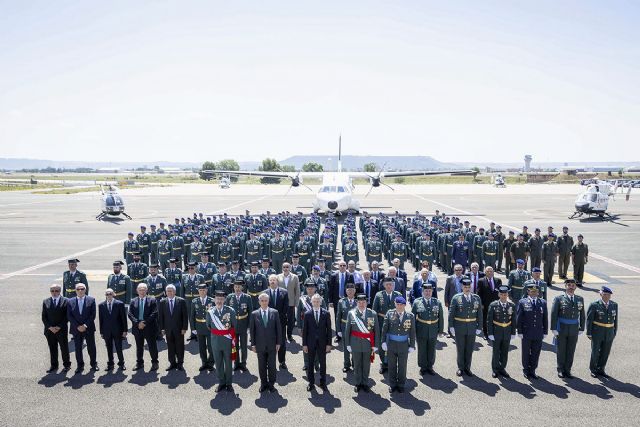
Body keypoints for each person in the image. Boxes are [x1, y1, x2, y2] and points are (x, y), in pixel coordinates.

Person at [550, 279, 585, 379]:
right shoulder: (559, 299)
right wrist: (553, 328)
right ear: (565, 286)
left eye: (573, 285)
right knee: (561, 350)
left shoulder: (579, 299)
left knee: (571, 350)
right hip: (562, 328)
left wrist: (582, 327)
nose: (571, 287)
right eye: (568, 285)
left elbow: (582, 314)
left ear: (575, 287)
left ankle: (568, 370)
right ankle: (560, 369)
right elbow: (554, 314)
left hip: (574, 329)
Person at [448, 278, 482, 377]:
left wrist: (479, 326)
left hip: (471, 327)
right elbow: (451, 313)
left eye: (468, 287)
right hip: (460, 327)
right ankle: (460, 367)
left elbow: (479, 313)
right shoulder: (456, 298)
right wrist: (451, 326)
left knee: (469, 348)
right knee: (460, 348)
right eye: (465, 287)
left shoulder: (476, 298)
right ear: (462, 287)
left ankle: (467, 368)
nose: (467, 289)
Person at [381, 296, 416, 393]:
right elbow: (384, 330)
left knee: (402, 365)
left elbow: (412, 332)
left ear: (405, 305)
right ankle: (392, 384)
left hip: (404, 344)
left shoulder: (410, 316)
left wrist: (412, 345)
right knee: (392, 365)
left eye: (401, 305)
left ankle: (401, 384)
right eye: (398, 304)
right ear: (395, 304)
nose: (399, 306)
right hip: (391, 344)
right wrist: (383, 342)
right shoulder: (389, 313)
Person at [345, 294, 379, 392]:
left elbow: (376, 330)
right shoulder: (351, 314)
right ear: (357, 303)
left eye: (363, 302)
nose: (361, 304)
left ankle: (365, 383)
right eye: (359, 302)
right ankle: (358, 383)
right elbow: (347, 331)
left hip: (368, 344)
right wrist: (348, 344)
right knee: (357, 364)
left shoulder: (372, 314)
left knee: (366, 365)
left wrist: (376, 345)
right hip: (355, 344)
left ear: (367, 303)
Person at [250, 293, 282, 393]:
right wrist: (253, 344)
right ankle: (263, 383)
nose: (264, 302)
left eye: (266, 301)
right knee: (262, 366)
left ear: (268, 301)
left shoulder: (275, 312)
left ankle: (271, 384)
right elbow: (252, 331)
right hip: (260, 345)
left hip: (272, 345)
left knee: (272, 366)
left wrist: (278, 343)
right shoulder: (254, 314)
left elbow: (278, 329)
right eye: (262, 301)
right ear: (259, 302)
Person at [207, 290, 237, 392]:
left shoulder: (230, 311)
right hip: (215, 342)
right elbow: (209, 326)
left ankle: (229, 383)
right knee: (218, 363)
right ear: (214, 300)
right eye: (217, 299)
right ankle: (221, 382)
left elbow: (234, 326)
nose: (219, 301)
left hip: (227, 342)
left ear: (224, 300)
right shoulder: (210, 312)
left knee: (228, 363)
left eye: (221, 299)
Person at [517, 282, 548, 380]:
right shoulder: (522, 302)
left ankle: (533, 370)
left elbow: (545, 318)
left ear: (538, 292)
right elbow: (519, 318)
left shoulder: (542, 302)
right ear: (528, 292)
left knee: (536, 352)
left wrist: (545, 331)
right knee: (526, 352)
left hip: (538, 332)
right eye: (532, 291)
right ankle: (526, 369)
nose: (534, 293)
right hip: (526, 332)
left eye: (536, 291)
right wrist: (520, 331)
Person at [411, 283, 444, 376]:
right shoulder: (417, 302)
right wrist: (412, 331)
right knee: (422, 349)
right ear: (422, 291)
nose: (428, 293)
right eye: (426, 291)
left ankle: (430, 366)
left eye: (429, 291)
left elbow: (441, 317)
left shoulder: (437, 302)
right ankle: (422, 367)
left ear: (432, 291)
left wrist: (440, 330)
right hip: (421, 329)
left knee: (432, 349)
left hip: (433, 329)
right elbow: (412, 317)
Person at [302, 294, 333, 391]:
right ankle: (311, 383)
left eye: (318, 301)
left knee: (322, 364)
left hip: (322, 343)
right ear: (311, 302)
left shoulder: (326, 313)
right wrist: (304, 344)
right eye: (314, 301)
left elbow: (329, 330)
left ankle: (323, 382)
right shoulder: (307, 314)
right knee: (310, 364)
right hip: (310, 343)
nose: (316, 303)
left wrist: (329, 344)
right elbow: (305, 331)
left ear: (321, 302)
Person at [586, 286, 618, 378]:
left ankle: (601, 369)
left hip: (609, 332)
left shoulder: (614, 305)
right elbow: (589, 319)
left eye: (608, 295)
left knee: (605, 352)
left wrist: (614, 331)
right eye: (605, 294)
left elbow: (615, 320)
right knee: (595, 351)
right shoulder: (594, 305)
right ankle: (593, 369)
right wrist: (589, 332)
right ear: (600, 294)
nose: (607, 296)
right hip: (597, 331)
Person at [128, 283, 159, 371]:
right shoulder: (133, 301)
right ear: (137, 291)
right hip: (137, 328)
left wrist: (144, 323)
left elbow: (155, 313)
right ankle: (139, 363)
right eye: (140, 290)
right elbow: (130, 314)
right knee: (139, 346)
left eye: (144, 289)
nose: (142, 291)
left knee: (152, 346)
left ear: (147, 290)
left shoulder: (152, 300)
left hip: (149, 327)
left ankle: (155, 362)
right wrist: (138, 323)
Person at [372, 277, 401, 374]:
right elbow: (374, 311)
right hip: (381, 322)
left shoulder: (398, 295)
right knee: (382, 343)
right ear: (384, 285)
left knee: (393, 343)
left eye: (391, 284)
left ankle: (392, 363)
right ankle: (384, 363)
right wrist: (373, 326)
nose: (389, 286)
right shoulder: (379, 295)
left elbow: (401, 311)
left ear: (393, 285)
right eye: (387, 284)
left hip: (394, 322)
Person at [67, 283, 97, 373]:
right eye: (78, 289)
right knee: (78, 348)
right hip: (76, 329)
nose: (80, 291)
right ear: (75, 290)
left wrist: (84, 325)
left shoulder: (91, 300)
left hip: (88, 328)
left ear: (85, 289)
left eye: (82, 289)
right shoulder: (70, 301)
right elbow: (69, 316)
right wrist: (77, 326)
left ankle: (94, 364)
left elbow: (93, 315)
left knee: (91, 347)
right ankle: (80, 366)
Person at [487, 286, 516, 378]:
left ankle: (502, 368)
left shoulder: (512, 305)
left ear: (507, 294)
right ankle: (495, 369)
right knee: (496, 351)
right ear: (499, 294)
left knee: (505, 351)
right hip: (497, 331)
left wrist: (513, 332)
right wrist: (490, 333)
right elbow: (489, 320)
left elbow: (514, 320)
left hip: (507, 331)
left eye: (505, 294)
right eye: (502, 294)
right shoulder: (493, 305)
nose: (503, 296)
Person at [158, 285, 188, 371]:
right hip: (168, 329)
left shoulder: (181, 301)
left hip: (179, 329)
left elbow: (185, 316)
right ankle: (172, 363)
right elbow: (161, 317)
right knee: (170, 347)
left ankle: (180, 363)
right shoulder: (162, 302)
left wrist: (184, 328)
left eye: (171, 291)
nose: (170, 293)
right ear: (166, 292)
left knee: (180, 346)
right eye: (168, 291)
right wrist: (162, 329)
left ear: (175, 292)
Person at [225, 279, 253, 372]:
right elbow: (226, 312)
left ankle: (243, 363)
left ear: (242, 287)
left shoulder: (247, 297)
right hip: (233, 325)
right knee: (234, 345)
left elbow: (250, 312)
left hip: (243, 324)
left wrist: (249, 326)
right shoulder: (229, 297)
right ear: (233, 287)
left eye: (239, 287)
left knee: (244, 345)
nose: (237, 288)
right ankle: (236, 363)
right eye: (236, 286)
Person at [42, 284, 70, 372]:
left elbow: (67, 316)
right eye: (52, 291)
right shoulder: (46, 301)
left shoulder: (66, 301)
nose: (54, 293)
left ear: (60, 291)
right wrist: (50, 327)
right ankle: (54, 365)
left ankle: (66, 365)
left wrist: (58, 327)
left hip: (61, 330)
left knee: (64, 348)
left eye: (56, 291)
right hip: (49, 331)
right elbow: (44, 317)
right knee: (52, 348)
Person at [98, 288, 127, 371]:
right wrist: (101, 332)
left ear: (113, 294)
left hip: (117, 330)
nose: (109, 295)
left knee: (118, 348)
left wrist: (125, 330)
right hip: (107, 331)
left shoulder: (120, 304)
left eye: (110, 293)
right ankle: (110, 364)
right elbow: (101, 320)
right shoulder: (101, 305)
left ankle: (121, 363)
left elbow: (123, 319)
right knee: (109, 348)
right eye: (107, 294)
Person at [265, 274, 289, 369]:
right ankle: (269, 362)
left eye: (274, 280)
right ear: (268, 282)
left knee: (281, 342)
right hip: (268, 323)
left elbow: (286, 308)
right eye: (270, 280)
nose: (272, 282)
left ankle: (282, 361)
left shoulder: (284, 292)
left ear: (277, 281)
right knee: (268, 343)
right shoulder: (265, 293)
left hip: (281, 322)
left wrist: (278, 319)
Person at [191, 283, 215, 371]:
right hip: (199, 327)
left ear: (207, 290)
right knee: (201, 347)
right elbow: (192, 316)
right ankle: (204, 362)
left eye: (204, 290)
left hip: (209, 327)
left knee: (211, 346)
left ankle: (211, 363)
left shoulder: (212, 301)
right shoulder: (194, 301)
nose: (202, 292)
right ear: (198, 291)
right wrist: (193, 328)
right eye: (200, 290)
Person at [336, 283, 357, 373]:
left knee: (355, 346)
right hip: (344, 326)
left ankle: (355, 363)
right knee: (346, 346)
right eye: (348, 290)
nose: (350, 292)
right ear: (346, 291)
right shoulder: (341, 301)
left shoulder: (358, 301)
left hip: (355, 327)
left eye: (352, 290)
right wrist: (338, 330)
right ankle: (346, 364)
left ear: (355, 291)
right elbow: (338, 316)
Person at [277, 263, 300, 342]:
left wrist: (296, 303)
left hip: (291, 302)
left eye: (287, 267)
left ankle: (289, 335)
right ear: (282, 268)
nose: (286, 268)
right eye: (284, 267)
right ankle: (282, 336)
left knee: (291, 320)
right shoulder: (278, 277)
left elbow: (297, 290)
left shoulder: (295, 277)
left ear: (290, 268)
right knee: (281, 319)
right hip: (281, 302)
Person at [477, 266, 502, 338]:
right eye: (488, 271)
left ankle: (494, 332)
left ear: (493, 272)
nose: (490, 273)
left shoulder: (498, 280)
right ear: (485, 272)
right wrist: (481, 304)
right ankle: (485, 333)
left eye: (491, 271)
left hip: (496, 304)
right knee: (485, 319)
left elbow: (500, 293)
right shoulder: (481, 281)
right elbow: (479, 293)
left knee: (496, 318)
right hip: (485, 304)